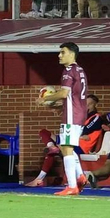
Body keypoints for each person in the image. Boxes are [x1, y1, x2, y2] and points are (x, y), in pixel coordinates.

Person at [35, 41, 90, 196]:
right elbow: (73, 96)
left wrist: (45, 98)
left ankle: (72, 186)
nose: (59, 55)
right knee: (67, 146)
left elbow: (64, 93)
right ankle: (80, 176)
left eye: (62, 52)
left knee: (66, 148)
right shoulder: (80, 70)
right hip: (79, 112)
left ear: (71, 54)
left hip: (72, 116)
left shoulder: (68, 71)